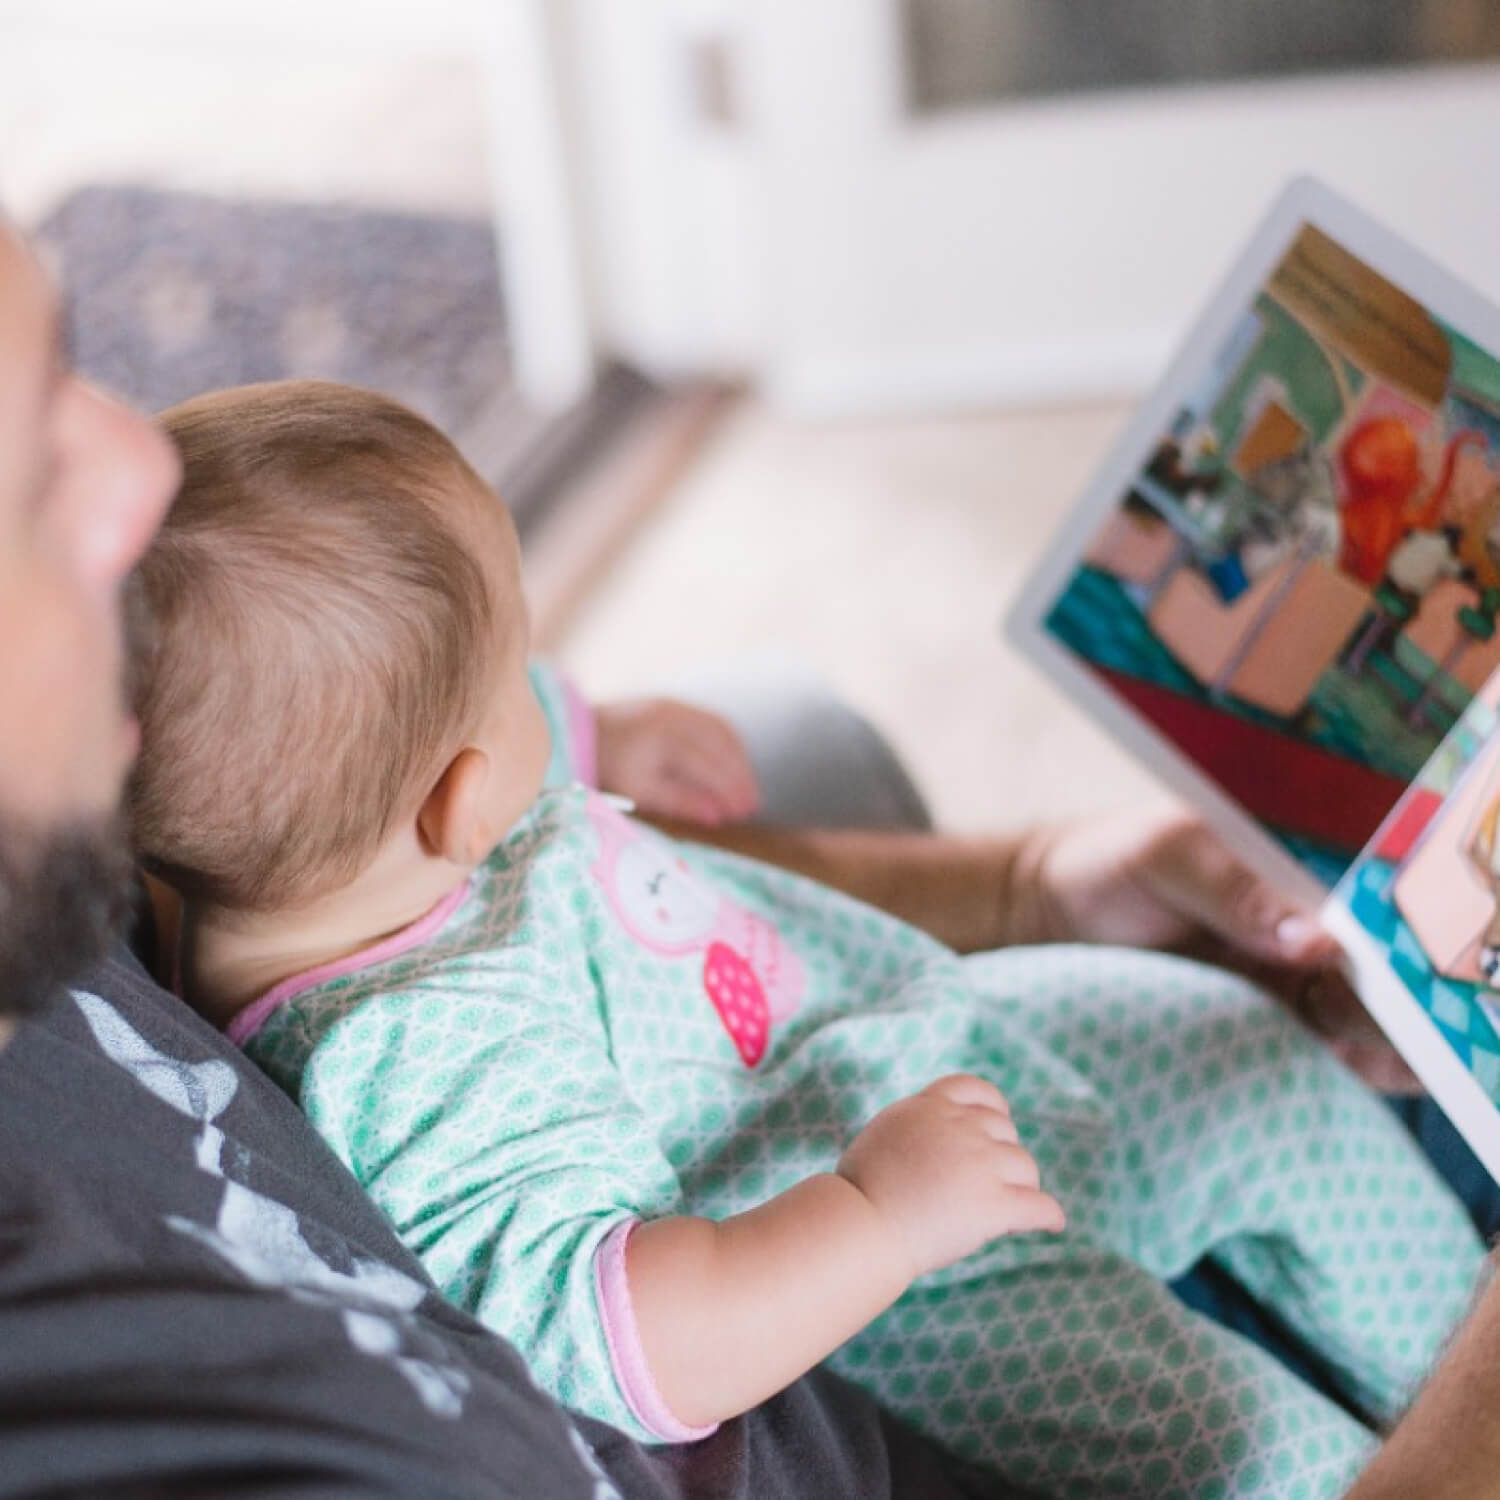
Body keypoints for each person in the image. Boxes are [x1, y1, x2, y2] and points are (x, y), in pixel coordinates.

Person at [126, 378, 1484, 1499]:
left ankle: (1444, 1330)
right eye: (520, 670)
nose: (545, 686)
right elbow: (628, 1336)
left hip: (916, 1031)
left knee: (1239, 1046)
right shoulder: (419, 1058)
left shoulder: (359, 836)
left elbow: (463, 723)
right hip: (918, 1271)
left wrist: (601, 729)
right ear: (462, 799)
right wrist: (878, 1216)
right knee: (1234, 1449)